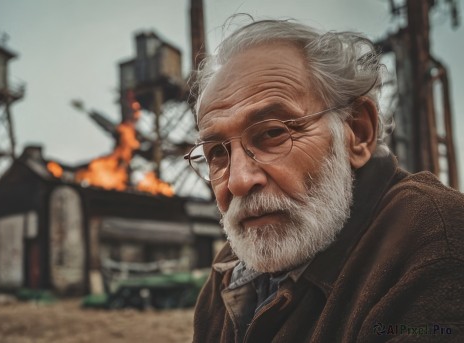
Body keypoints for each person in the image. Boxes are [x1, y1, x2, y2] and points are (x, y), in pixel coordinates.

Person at [186, 18, 464, 342]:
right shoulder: (230, 270)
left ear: (357, 133)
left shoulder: (436, 241)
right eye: (217, 152)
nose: (237, 182)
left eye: (273, 133)